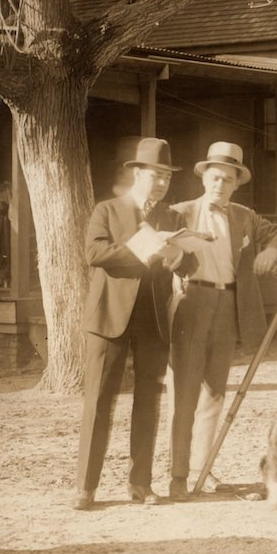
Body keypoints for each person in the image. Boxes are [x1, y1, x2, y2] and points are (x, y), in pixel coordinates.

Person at [74, 137, 197, 510]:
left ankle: (140, 483)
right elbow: (94, 253)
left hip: (153, 320)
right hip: (109, 316)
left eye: (166, 177)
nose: (161, 183)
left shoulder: (173, 218)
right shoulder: (107, 210)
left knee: (147, 403)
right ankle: (85, 487)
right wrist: (147, 247)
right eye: (154, 175)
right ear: (137, 174)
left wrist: (177, 255)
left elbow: (189, 263)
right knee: (98, 400)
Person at [169, 141, 277, 499]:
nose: (220, 185)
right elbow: (157, 249)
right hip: (192, 302)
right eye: (214, 177)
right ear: (204, 177)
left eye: (227, 179)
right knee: (185, 393)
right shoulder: (179, 212)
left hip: (228, 306)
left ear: (237, 184)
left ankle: (203, 471)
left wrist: (270, 249)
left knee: (214, 393)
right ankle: (178, 476)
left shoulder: (243, 215)